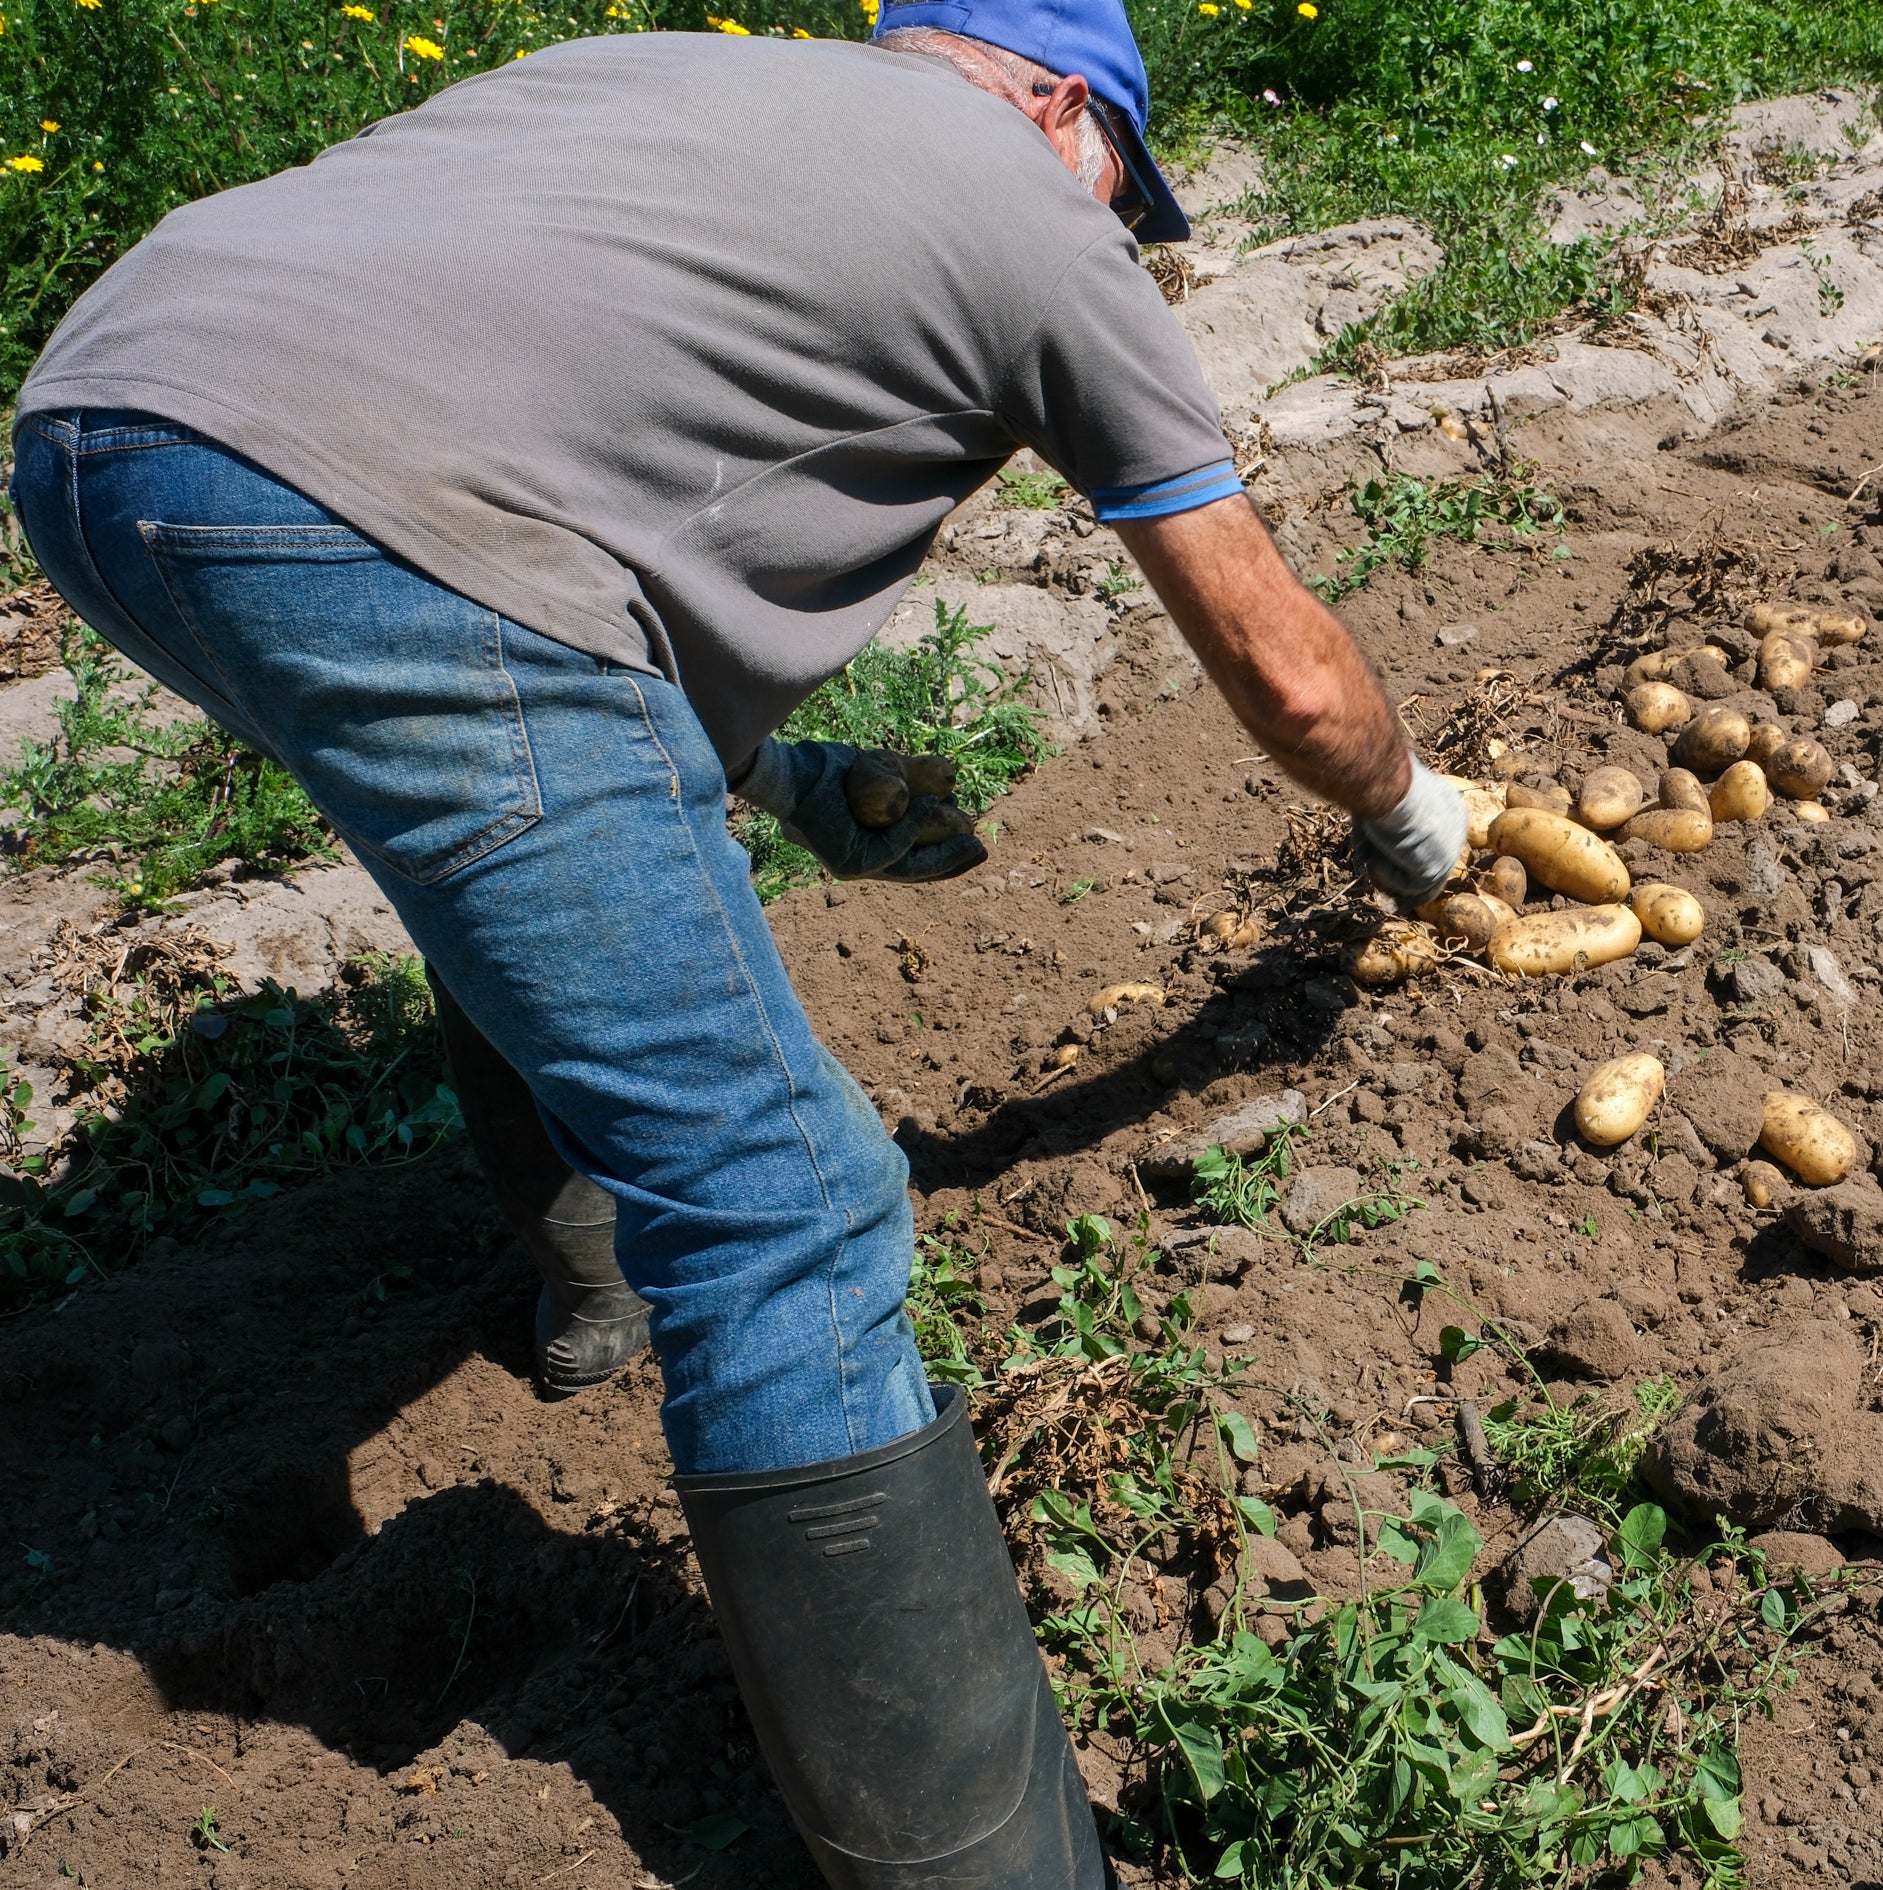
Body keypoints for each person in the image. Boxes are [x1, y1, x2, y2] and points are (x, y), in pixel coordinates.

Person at [8, 2, 1468, 1881]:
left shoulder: (673, 80)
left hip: (106, 425)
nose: (1122, 215)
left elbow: (539, 480)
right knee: (786, 1201)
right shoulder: (1034, 214)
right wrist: (1417, 816)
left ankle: (592, 1281)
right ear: (1061, 111)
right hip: (356, 503)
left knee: (499, 831)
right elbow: (1278, 659)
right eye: (1125, 174)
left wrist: (785, 783)